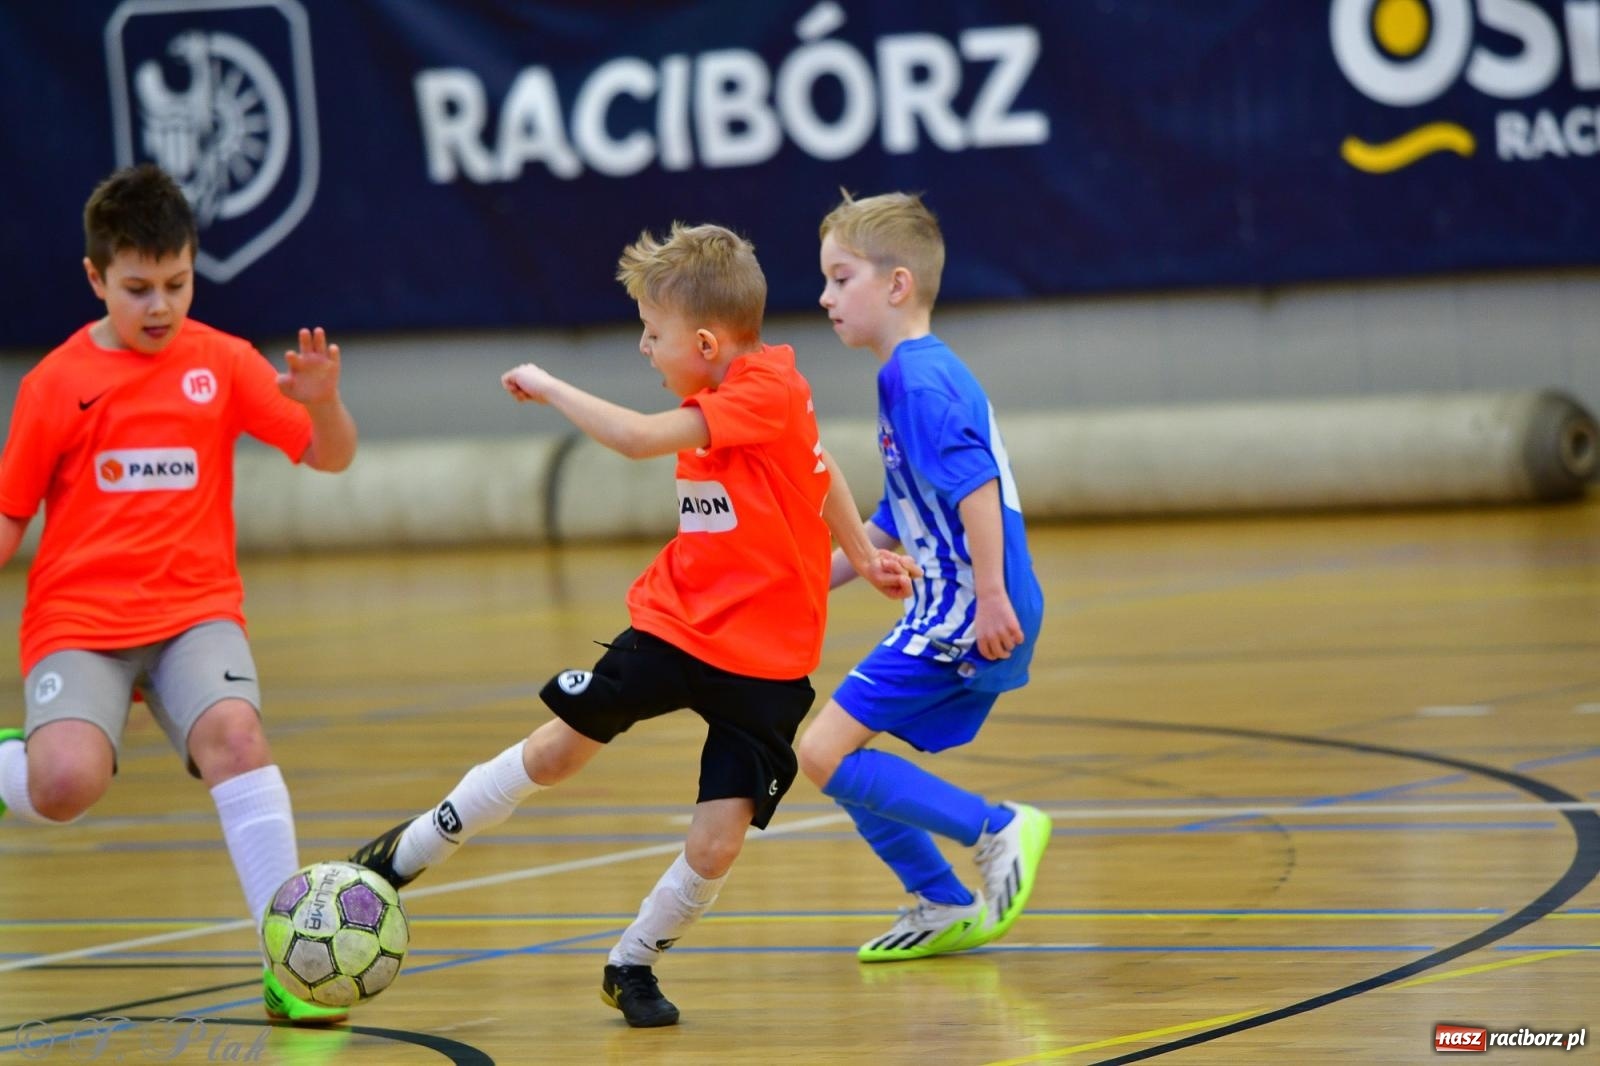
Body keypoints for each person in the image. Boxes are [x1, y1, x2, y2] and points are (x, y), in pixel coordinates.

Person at [350, 222, 913, 1027]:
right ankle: (402, 857)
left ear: (710, 343)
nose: (645, 348)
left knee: (718, 843)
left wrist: (550, 384)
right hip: (676, 627)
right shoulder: (737, 395)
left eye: (654, 334)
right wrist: (865, 551)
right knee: (557, 751)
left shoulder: (765, 390)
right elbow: (819, 474)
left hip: (767, 665)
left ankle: (632, 963)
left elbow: (646, 441)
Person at [0, 164, 358, 1023]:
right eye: (136, 288)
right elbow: (11, 518)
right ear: (95, 278)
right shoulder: (53, 384)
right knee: (64, 786)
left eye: (177, 284)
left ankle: (291, 964)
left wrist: (328, 404)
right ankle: (27, 751)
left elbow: (331, 456)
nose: (159, 305)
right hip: (79, 622)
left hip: (195, 617)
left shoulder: (224, 363)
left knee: (238, 736)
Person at [795, 190, 1051, 963]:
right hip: (955, 603)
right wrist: (812, 579)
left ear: (896, 285)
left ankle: (998, 829)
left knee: (822, 753)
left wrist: (995, 597)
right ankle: (940, 902)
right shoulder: (904, 376)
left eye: (841, 279)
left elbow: (977, 488)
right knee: (832, 757)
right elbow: (894, 517)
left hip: (967, 608)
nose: (825, 297)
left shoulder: (919, 379)